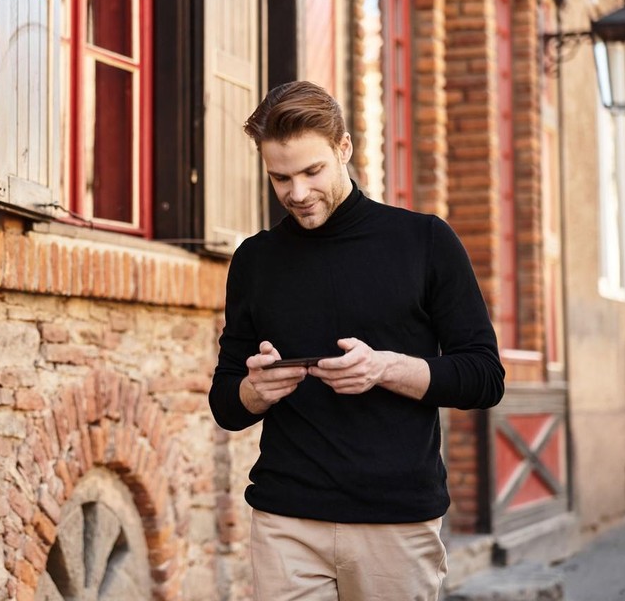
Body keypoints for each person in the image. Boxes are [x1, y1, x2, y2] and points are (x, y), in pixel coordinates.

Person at [208, 81, 505, 601]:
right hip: (285, 521)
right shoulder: (255, 259)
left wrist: (386, 368)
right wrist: (257, 390)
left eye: (312, 171)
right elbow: (226, 405)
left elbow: (484, 377)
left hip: (395, 523)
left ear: (344, 147)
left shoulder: (424, 241)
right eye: (280, 178)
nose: (297, 193)